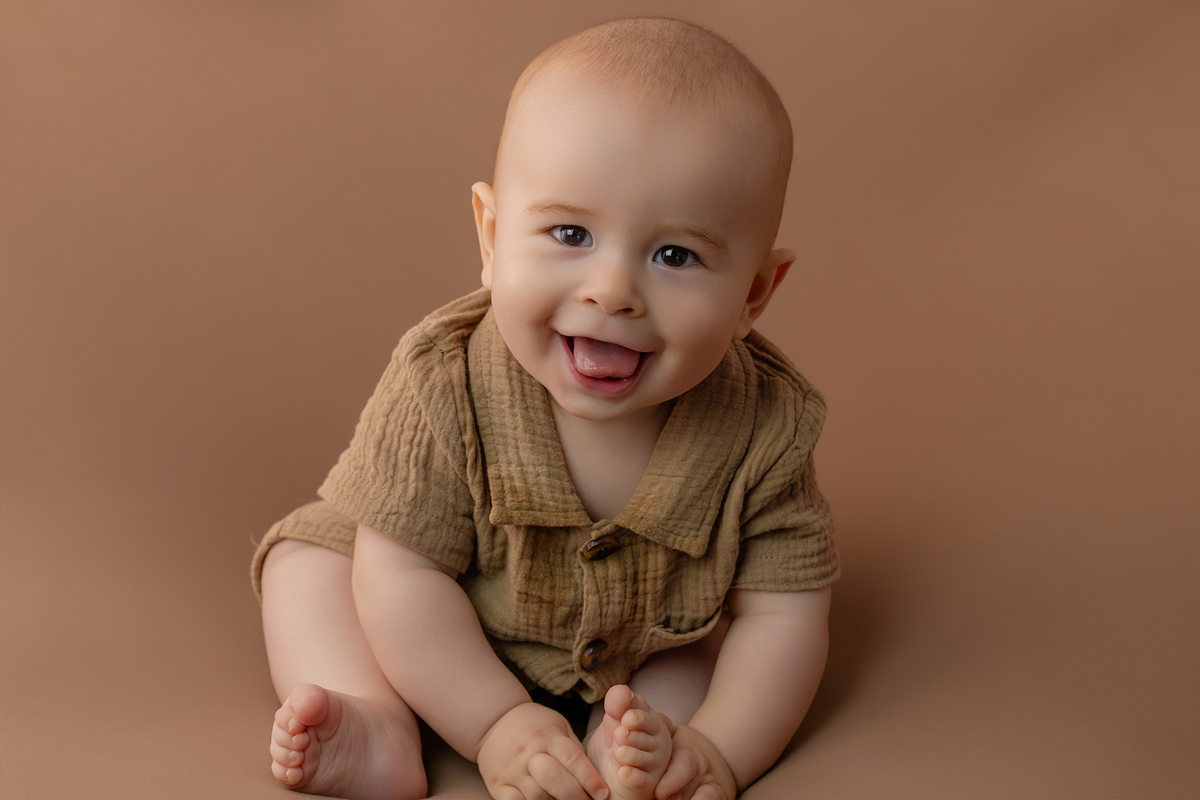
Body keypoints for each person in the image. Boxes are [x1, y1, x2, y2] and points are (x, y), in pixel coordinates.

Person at [252, 16, 838, 800]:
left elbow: (786, 618)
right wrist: (493, 722)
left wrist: (723, 752)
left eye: (675, 255)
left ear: (753, 294)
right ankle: (381, 724)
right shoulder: (444, 378)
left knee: (707, 652)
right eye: (570, 232)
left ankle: (632, 754)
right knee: (312, 563)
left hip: (650, 639)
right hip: (442, 612)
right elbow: (401, 576)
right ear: (492, 238)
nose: (612, 292)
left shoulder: (767, 426)